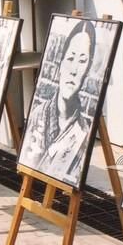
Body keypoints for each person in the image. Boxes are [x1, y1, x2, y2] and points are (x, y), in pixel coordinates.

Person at [19, 19, 97, 185]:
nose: (74, 70)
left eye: (82, 61)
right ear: (61, 64)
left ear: (88, 69)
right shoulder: (37, 114)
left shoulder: (83, 132)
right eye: (70, 58)